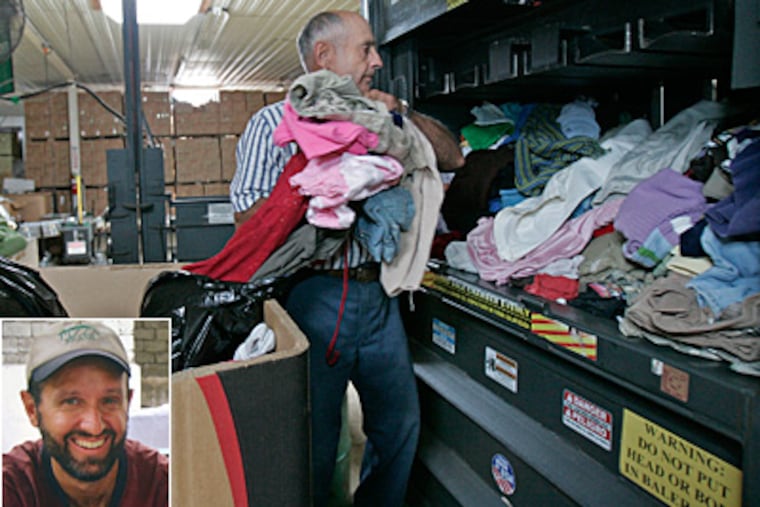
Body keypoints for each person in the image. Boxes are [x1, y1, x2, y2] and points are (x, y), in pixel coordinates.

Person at [229, 10, 463, 506]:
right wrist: (321, 183)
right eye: (366, 50)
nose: (376, 61)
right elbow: (247, 223)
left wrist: (397, 112)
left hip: (376, 295)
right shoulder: (274, 123)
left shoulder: (382, 122)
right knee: (312, 443)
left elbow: (452, 157)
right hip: (311, 298)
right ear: (324, 56)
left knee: (399, 428)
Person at [3, 321, 169, 507]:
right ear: (32, 409)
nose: (94, 426)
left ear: (127, 403)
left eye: (109, 401)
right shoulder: (12, 486)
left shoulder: (163, 484)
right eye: (71, 402)